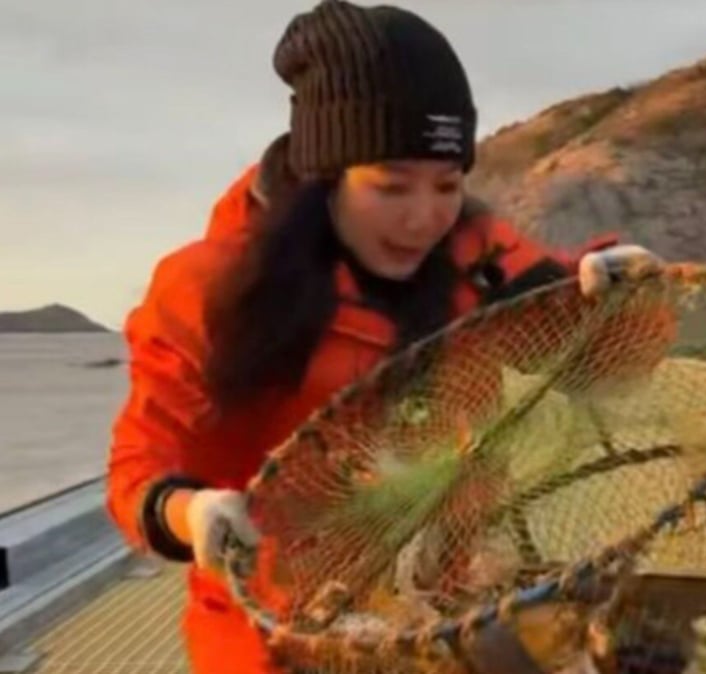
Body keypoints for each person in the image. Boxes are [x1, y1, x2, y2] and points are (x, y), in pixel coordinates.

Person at [105, 2, 668, 673]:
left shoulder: (478, 256)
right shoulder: (209, 289)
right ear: (323, 177)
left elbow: (605, 363)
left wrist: (625, 296)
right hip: (282, 639)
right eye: (391, 187)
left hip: (449, 613)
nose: (423, 218)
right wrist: (188, 512)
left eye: (447, 184)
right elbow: (140, 464)